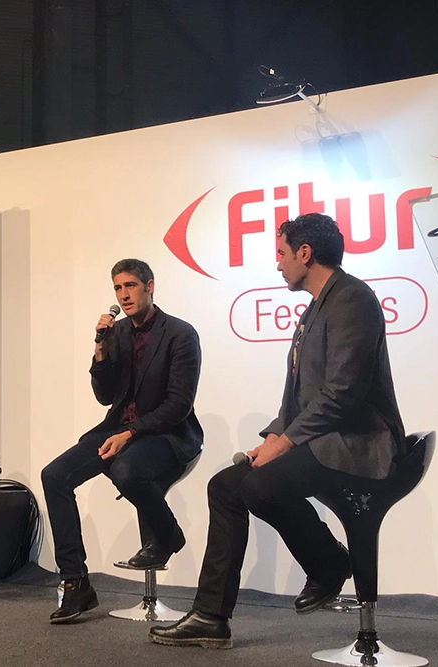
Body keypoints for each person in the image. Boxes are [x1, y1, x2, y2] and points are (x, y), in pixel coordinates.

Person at [149, 213, 406, 649]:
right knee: (227, 485)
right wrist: (273, 436)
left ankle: (327, 566)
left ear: (305, 253)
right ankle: (211, 617)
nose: (278, 263)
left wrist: (287, 442)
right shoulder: (318, 305)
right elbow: (300, 395)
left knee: (261, 487)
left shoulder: (352, 299)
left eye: (282, 253)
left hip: (360, 446)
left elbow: (343, 391)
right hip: (327, 440)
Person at [41, 259, 203, 623]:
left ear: (150, 286)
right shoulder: (118, 333)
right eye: (117, 288)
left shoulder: (180, 333)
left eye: (130, 285)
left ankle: (167, 536)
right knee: (55, 475)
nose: (123, 294)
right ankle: (75, 582)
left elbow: (178, 404)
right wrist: (100, 349)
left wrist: (130, 433)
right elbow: (105, 395)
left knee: (126, 470)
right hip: (118, 426)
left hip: (168, 432)